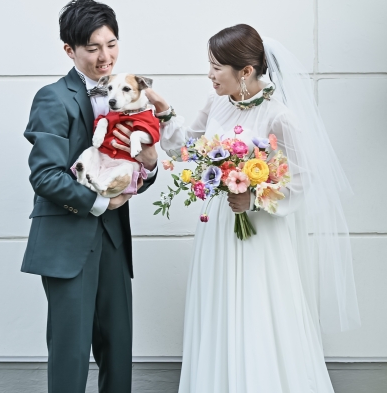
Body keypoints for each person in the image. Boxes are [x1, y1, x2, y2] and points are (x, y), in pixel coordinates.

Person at [146, 24, 360, 393]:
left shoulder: (280, 117)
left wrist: (255, 199)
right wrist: (165, 112)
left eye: (216, 67)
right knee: (218, 307)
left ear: (245, 71)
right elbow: (185, 149)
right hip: (218, 226)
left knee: (256, 308)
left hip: (260, 233)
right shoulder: (216, 103)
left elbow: (303, 179)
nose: (209, 75)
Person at [21, 0, 159, 393]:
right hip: (66, 241)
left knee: (118, 349)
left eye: (111, 44)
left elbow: (137, 168)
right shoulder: (52, 97)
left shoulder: (129, 93)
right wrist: (101, 202)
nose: (105, 57)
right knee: (71, 351)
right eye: (93, 48)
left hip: (114, 239)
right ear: (70, 50)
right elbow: (45, 176)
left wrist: (150, 164)